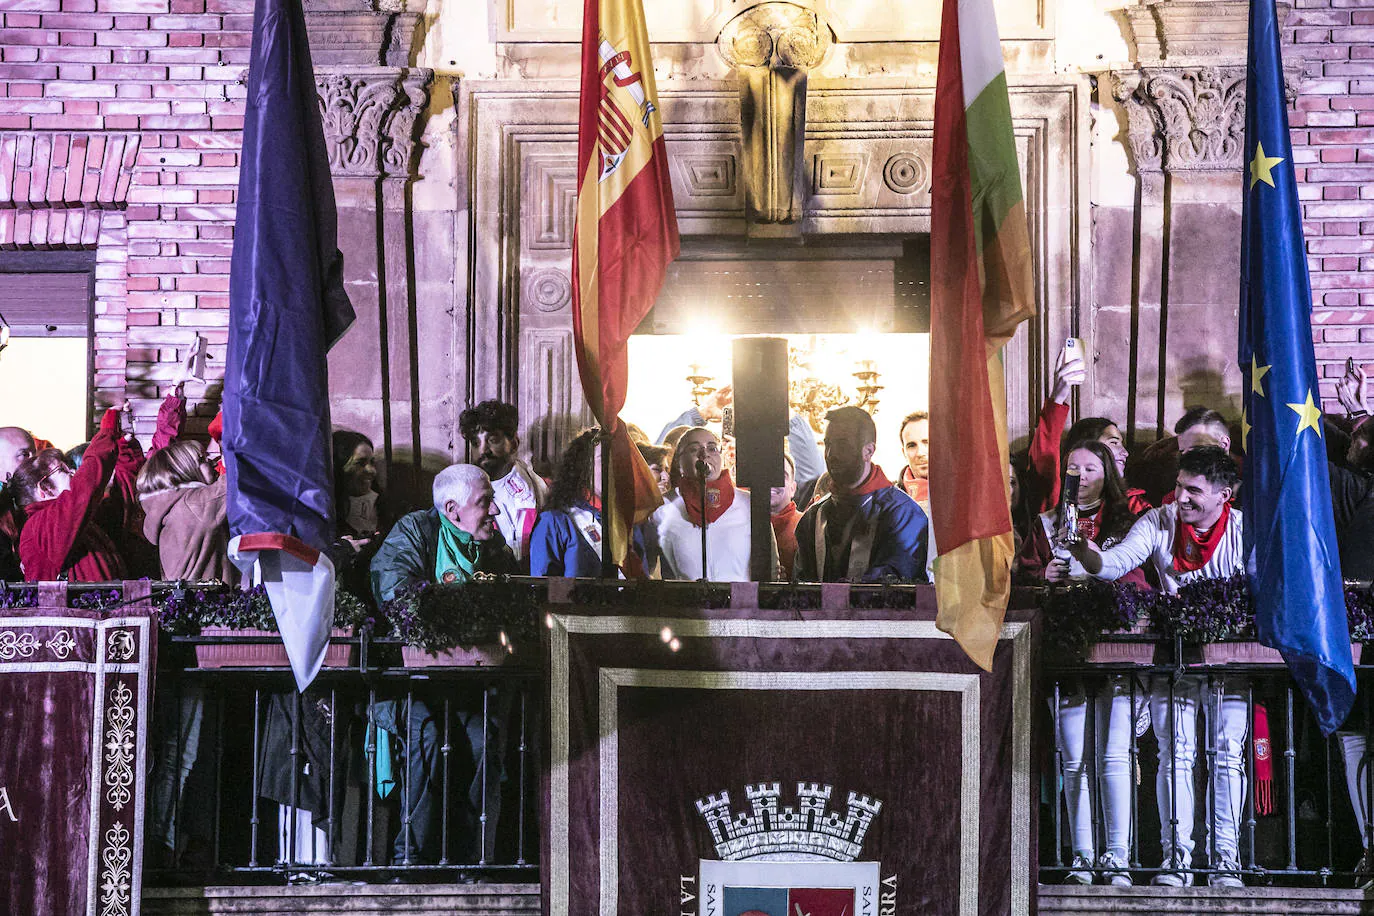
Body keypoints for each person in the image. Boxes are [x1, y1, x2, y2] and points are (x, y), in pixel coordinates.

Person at [1069, 446, 1247, 887]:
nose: (1180, 497)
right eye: (1178, 486)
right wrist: (1087, 553)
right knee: (1175, 756)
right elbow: (1113, 565)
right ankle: (1178, 860)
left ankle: (1226, 861)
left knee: (1228, 756)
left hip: (1230, 662)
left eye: (1193, 491)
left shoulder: (1247, 530)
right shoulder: (1158, 521)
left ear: (1225, 495)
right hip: (1174, 658)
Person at [369, 464, 516, 863]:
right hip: (417, 680)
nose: (496, 512)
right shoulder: (414, 532)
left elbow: (512, 604)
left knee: (485, 742)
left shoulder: (497, 549)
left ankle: (475, 857)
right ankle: (411, 856)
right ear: (452, 510)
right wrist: (465, 613)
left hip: (475, 681)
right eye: (485, 503)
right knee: (428, 739)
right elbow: (395, 592)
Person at [1016, 441, 1145, 886]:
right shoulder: (1048, 523)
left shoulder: (1128, 521)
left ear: (1107, 473)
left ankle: (1118, 857)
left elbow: (1138, 577)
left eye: (1091, 468)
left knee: (1113, 757)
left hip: (1116, 652)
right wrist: (1045, 576)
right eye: (1073, 468)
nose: (1082, 476)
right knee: (1073, 758)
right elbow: (1026, 575)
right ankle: (1082, 858)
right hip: (1066, 651)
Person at [794, 407, 928, 583]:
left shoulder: (904, 514)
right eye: (828, 444)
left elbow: (896, 584)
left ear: (868, 451)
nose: (830, 455)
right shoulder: (813, 517)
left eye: (842, 445)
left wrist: (843, 595)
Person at [11, 405, 128, 582]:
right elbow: (86, 486)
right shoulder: (41, 525)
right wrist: (107, 431)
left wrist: (125, 445)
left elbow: (121, 496)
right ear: (44, 488)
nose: (74, 473)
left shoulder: (68, 521)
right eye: (64, 470)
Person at [656, 427, 772, 582]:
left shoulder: (750, 504)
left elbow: (770, 566)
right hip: (686, 603)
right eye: (694, 449)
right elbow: (651, 569)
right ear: (679, 462)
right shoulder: (663, 507)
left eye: (712, 448)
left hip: (740, 603)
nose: (704, 455)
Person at [656, 384, 825, 489]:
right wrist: (702, 413)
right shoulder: (702, 492)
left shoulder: (765, 493)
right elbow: (656, 458)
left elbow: (811, 476)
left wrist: (784, 412)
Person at [530, 428, 646, 577]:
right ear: (584, 466)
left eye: (618, 459)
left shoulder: (630, 521)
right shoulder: (556, 522)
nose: (613, 466)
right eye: (603, 459)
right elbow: (544, 590)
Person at [459, 400, 548, 566]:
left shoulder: (536, 487)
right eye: (475, 443)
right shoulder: (462, 494)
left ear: (513, 444)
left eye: (492, 440)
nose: (483, 451)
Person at [137, 440, 234, 583]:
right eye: (202, 459)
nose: (213, 462)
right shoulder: (193, 504)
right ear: (181, 470)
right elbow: (237, 480)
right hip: (210, 599)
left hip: (189, 600)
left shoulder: (170, 508)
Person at [332, 430, 386, 602]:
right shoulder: (325, 512)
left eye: (372, 462)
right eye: (360, 463)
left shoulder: (385, 505)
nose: (371, 470)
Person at [770, 452, 801, 580]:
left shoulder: (806, 524)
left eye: (782, 475)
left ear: (793, 489)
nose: (772, 479)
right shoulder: (741, 523)